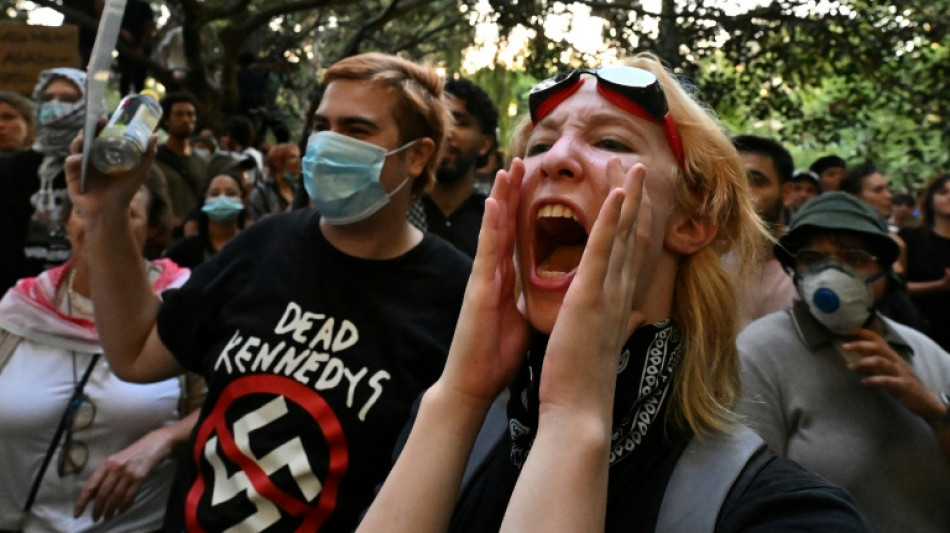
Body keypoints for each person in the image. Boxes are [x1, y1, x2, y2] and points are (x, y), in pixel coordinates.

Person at [358, 55, 870, 532]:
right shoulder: (456, 430)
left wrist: (574, 416)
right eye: (538, 146)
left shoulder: (786, 513)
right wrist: (460, 397)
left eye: (611, 143)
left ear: (693, 221)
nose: (556, 158)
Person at [66, 52, 470, 532]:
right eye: (321, 125)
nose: (327, 143)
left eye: (357, 130)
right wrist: (106, 213)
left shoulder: (454, 293)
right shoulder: (264, 244)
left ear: (417, 155)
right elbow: (135, 354)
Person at [737, 191, 950, 532]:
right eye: (812, 258)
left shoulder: (924, 351)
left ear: (884, 269)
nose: (832, 273)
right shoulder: (757, 352)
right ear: (794, 270)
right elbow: (744, 490)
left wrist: (933, 410)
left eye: (854, 257)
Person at [0, 172, 198, 532]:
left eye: (123, 211)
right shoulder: (19, 311)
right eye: (84, 210)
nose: (100, 222)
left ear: (153, 229)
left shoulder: (185, 306)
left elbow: (223, 406)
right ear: (65, 222)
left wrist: (166, 439)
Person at [0, 68, 90, 294]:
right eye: (47, 98)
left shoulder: (104, 169)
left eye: (69, 99)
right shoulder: (14, 168)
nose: (56, 105)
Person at [408, 77, 499, 257]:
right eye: (439, 119)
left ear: (484, 144)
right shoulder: (397, 212)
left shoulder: (497, 220)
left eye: (460, 122)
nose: (446, 131)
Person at [728, 135, 797, 324]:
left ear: (787, 192)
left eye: (754, 181)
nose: (740, 192)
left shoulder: (805, 270)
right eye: (731, 180)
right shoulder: (704, 263)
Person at [900, 174, 950, 352]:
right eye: (943, 192)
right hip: (923, 335)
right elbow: (896, 288)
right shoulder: (910, 239)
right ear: (931, 199)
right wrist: (940, 285)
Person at [165, 169, 248, 269]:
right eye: (215, 194)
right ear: (204, 201)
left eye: (230, 194)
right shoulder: (181, 253)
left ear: (242, 200)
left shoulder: (254, 248)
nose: (222, 199)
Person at [154, 92, 208, 232]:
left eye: (190, 114)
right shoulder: (153, 159)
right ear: (166, 120)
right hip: (163, 234)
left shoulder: (202, 163)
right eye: (178, 114)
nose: (185, 119)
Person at [247, 142, 301, 221]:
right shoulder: (261, 193)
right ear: (278, 163)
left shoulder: (299, 189)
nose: (298, 161)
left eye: (298, 157)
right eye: (292, 157)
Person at [116, 0, 155, 95]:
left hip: (141, 48)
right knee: (125, 78)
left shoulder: (144, 6)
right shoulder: (121, 6)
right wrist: (122, 32)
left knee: (139, 80)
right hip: (124, 48)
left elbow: (149, 27)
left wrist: (140, 48)